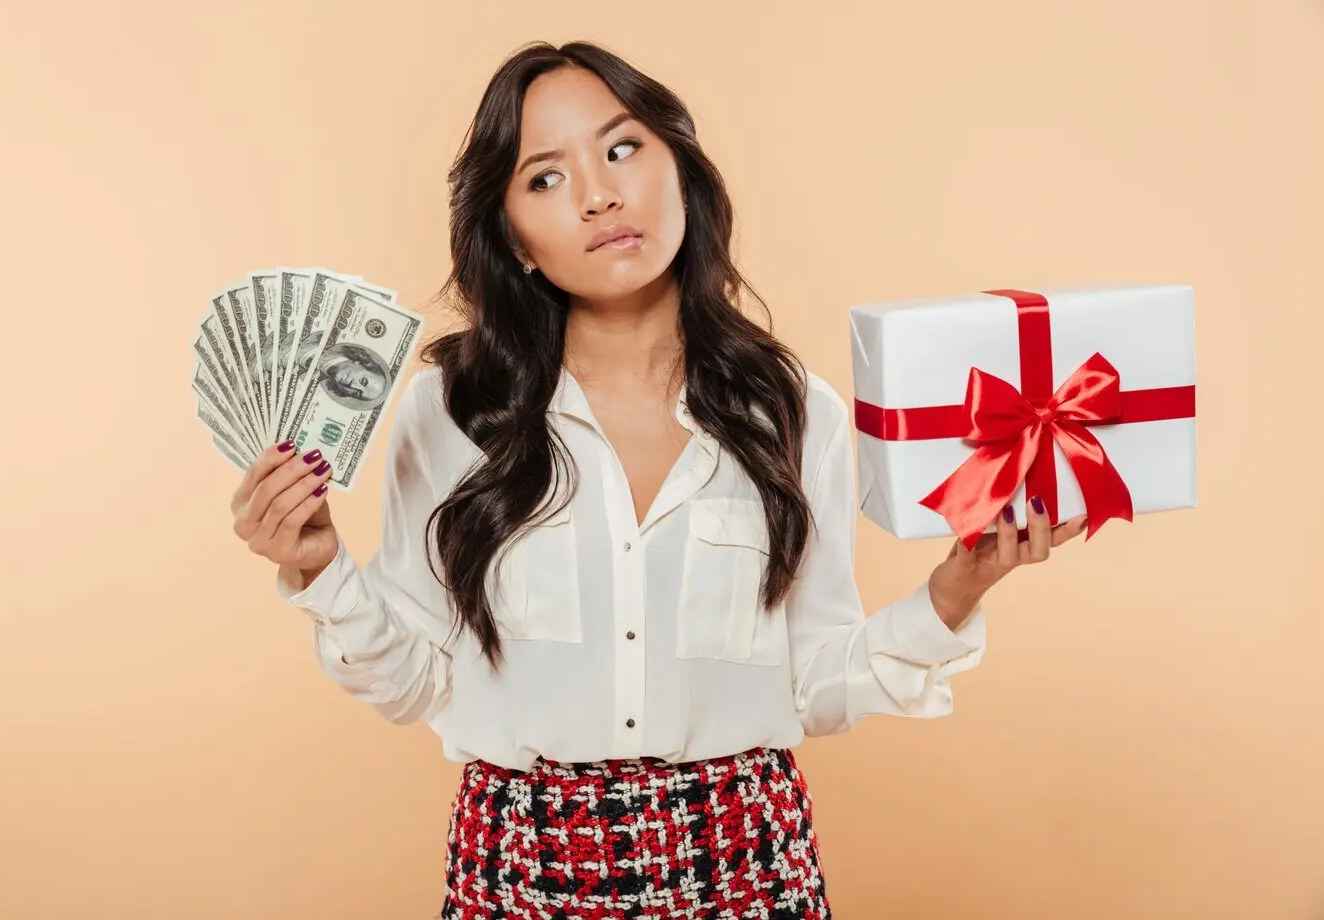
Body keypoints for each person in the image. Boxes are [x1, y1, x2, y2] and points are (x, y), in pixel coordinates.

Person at [228, 40, 1086, 920]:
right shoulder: (451, 412)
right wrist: (321, 570)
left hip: (746, 860)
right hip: (521, 868)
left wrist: (954, 591)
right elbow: (417, 679)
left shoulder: (795, 413)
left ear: (682, 170)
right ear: (513, 238)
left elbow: (816, 683)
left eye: (622, 147)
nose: (599, 193)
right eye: (546, 179)